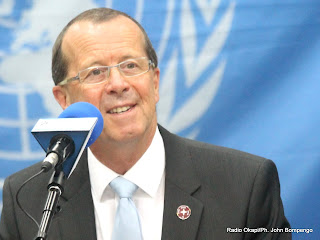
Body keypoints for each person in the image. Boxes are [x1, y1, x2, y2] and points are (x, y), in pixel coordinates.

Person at [0, 8, 291, 240]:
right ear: (63, 99)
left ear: (154, 82)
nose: (118, 84)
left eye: (130, 65)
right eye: (96, 72)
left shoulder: (245, 187)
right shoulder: (28, 198)